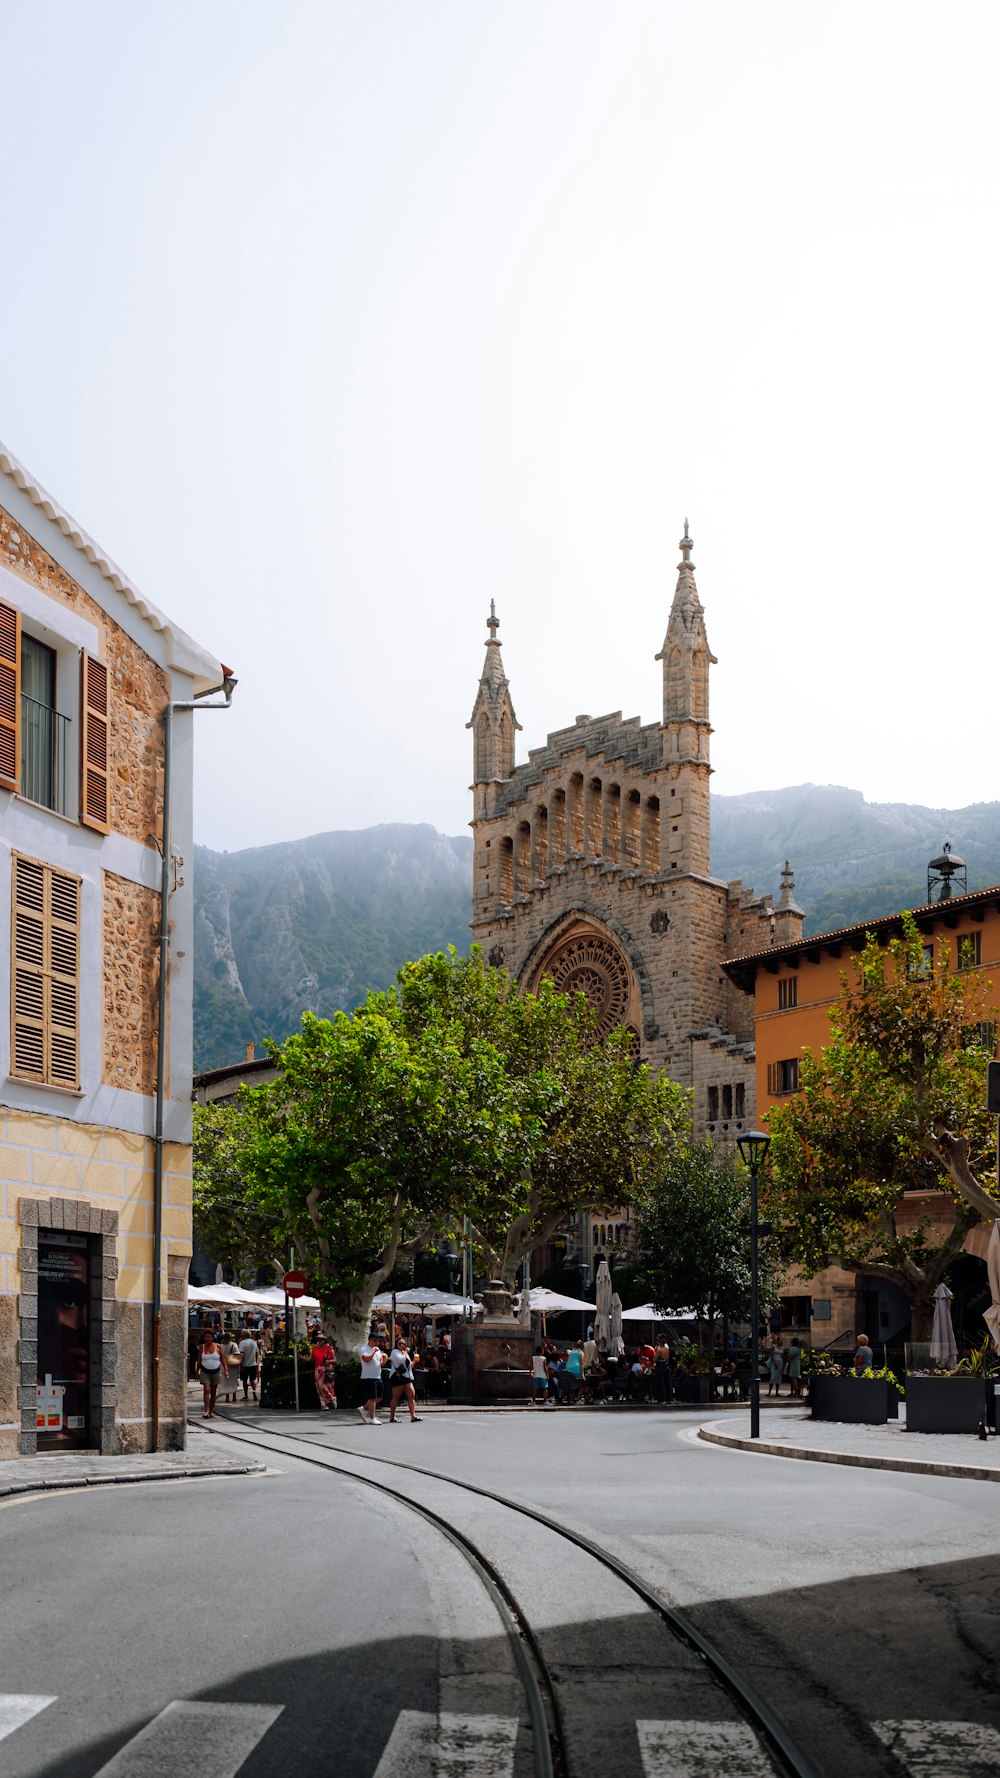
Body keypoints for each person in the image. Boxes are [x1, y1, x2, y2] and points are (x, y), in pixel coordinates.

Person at [387, 1340, 422, 1423]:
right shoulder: (394, 1352)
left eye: (404, 1344)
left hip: (406, 1376)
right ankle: (392, 1417)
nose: (402, 1345)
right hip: (397, 1376)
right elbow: (400, 1360)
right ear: (396, 1344)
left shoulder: (404, 1352)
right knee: (396, 1397)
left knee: (411, 1395)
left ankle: (413, 1416)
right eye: (400, 1343)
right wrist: (406, 1352)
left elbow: (409, 1365)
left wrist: (414, 1361)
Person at [196, 1331, 225, 1418]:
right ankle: (206, 1410)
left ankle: (211, 1411)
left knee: (213, 1392)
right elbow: (199, 1360)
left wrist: (226, 1370)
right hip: (205, 1371)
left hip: (215, 1372)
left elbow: (223, 1359)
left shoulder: (218, 1347)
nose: (207, 1338)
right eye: (206, 1337)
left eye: (209, 1337)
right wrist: (197, 1371)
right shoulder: (202, 1347)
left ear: (212, 1338)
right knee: (206, 1389)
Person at [358, 1336, 385, 1424]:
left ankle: (364, 1408)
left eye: (377, 1340)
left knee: (379, 1398)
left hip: (378, 1376)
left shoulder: (378, 1350)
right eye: (374, 1340)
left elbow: (380, 1362)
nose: (376, 1342)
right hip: (368, 1377)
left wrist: (383, 1361)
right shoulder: (364, 1348)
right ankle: (372, 1418)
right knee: (372, 1398)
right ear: (369, 1340)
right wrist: (373, 1352)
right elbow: (365, 1359)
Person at [311, 1333, 337, 1410]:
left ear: (324, 1340)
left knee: (329, 1386)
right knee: (319, 1386)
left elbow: (335, 1360)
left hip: (327, 1369)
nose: (320, 1341)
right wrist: (299, 1356)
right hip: (318, 1369)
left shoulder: (329, 1349)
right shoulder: (314, 1349)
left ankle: (329, 1401)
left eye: (321, 1339)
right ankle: (325, 1403)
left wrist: (328, 1361)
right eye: (319, 1339)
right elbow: (310, 1359)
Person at [238, 1330, 260, 1401]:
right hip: (253, 1363)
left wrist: (241, 1365)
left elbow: (241, 1354)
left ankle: (246, 1395)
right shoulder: (254, 1342)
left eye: (242, 1334)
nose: (241, 1335)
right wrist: (256, 1363)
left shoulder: (242, 1343)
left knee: (244, 1380)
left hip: (245, 1364)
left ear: (244, 1335)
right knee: (252, 1379)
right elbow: (257, 1353)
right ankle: (254, 1391)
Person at [221, 1335, 242, 1403]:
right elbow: (237, 1354)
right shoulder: (234, 1345)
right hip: (233, 1366)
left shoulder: (221, 1346)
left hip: (224, 1365)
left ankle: (227, 1397)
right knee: (233, 1381)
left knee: (226, 1381)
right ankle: (234, 1396)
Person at [653, 1337, 672, 1403]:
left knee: (660, 1382)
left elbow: (654, 1360)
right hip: (666, 1365)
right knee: (667, 1382)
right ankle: (669, 1398)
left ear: (659, 1343)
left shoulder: (659, 1350)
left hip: (660, 1365)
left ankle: (662, 1398)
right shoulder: (667, 1349)